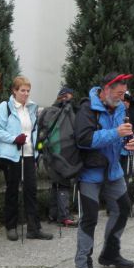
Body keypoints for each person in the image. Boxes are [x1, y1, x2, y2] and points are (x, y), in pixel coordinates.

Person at [73, 72, 134, 268]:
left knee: (123, 209)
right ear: (106, 89)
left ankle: (110, 253)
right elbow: (84, 139)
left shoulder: (120, 108)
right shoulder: (87, 109)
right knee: (90, 217)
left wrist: (132, 142)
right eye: (118, 93)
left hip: (113, 170)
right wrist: (116, 133)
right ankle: (83, 266)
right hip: (90, 172)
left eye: (123, 94)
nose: (121, 98)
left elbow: (128, 133)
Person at [0, 76, 52, 242]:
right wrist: (14, 138)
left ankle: (34, 228)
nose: (25, 94)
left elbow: (32, 132)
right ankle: (11, 227)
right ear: (14, 91)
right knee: (12, 191)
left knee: (31, 191)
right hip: (12, 155)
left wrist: (36, 151)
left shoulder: (31, 108)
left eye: (27, 91)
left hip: (28, 155)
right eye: (22, 90)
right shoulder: (5, 107)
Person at [46, 87, 77, 228]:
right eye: (66, 96)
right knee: (63, 183)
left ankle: (53, 214)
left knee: (56, 184)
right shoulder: (64, 112)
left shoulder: (50, 111)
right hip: (62, 154)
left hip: (51, 154)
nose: (67, 99)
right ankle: (64, 216)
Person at [119, 91, 134, 181]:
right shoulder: (111, 115)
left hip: (127, 154)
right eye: (123, 100)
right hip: (113, 153)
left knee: (125, 179)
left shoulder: (133, 116)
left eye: (128, 101)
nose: (125, 102)